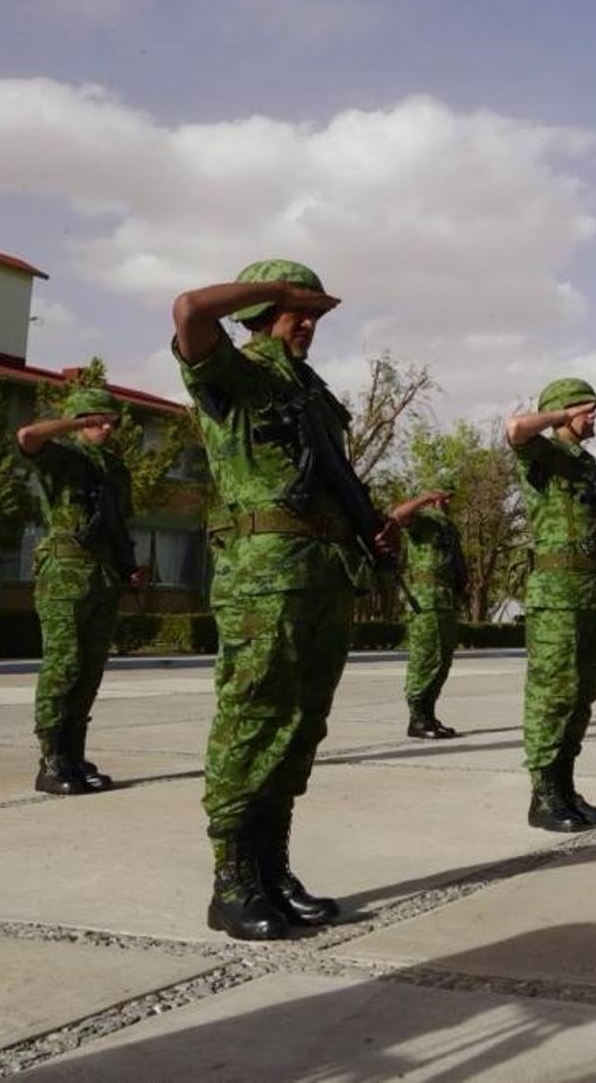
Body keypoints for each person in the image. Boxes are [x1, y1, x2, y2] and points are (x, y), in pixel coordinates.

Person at [173, 259, 398, 940]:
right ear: (263, 313)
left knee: (300, 724)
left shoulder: (314, 392)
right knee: (253, 718)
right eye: (297, 312)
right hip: (263, 577)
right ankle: (233, 878)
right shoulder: (235, 373)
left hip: (323, 573)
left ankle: (272, 868)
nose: (307, 325)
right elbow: (188, 309)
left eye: (314, 315)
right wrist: (275, 289)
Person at [16, 388, 150, 795]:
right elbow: (27, 437)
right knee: (64, 665)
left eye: (111, 421)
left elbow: (117, 526)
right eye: (96, 420)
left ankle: (73, 755)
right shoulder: (65, 456)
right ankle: (51, 759)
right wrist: (77, 423)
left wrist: (129, 570)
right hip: (65, 574)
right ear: (79, 420)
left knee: (89, 671)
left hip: (104, 577)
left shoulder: (115, 467)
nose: (106, 426)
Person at [507, 378, 596, 833]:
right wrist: (559, 415)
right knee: (551, 696)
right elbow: (516, 428)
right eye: (586, 408)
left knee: (579, 697)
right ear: (562, 412)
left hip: (589, 594)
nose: (594, 415)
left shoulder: (588, 466)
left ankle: (565, 786)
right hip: (555, 596)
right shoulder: (547, 455)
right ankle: (543, 796)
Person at [394, 489, 464, 739]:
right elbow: (398, 515)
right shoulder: (423, 520)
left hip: (446, 601)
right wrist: (424, 499)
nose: (445, 502)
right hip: (426, 601)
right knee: (425, 658)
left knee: (441, 661)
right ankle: (417, 719)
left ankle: (429, 716)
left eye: (448, 497)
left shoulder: (448, 526)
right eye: (442, 496)